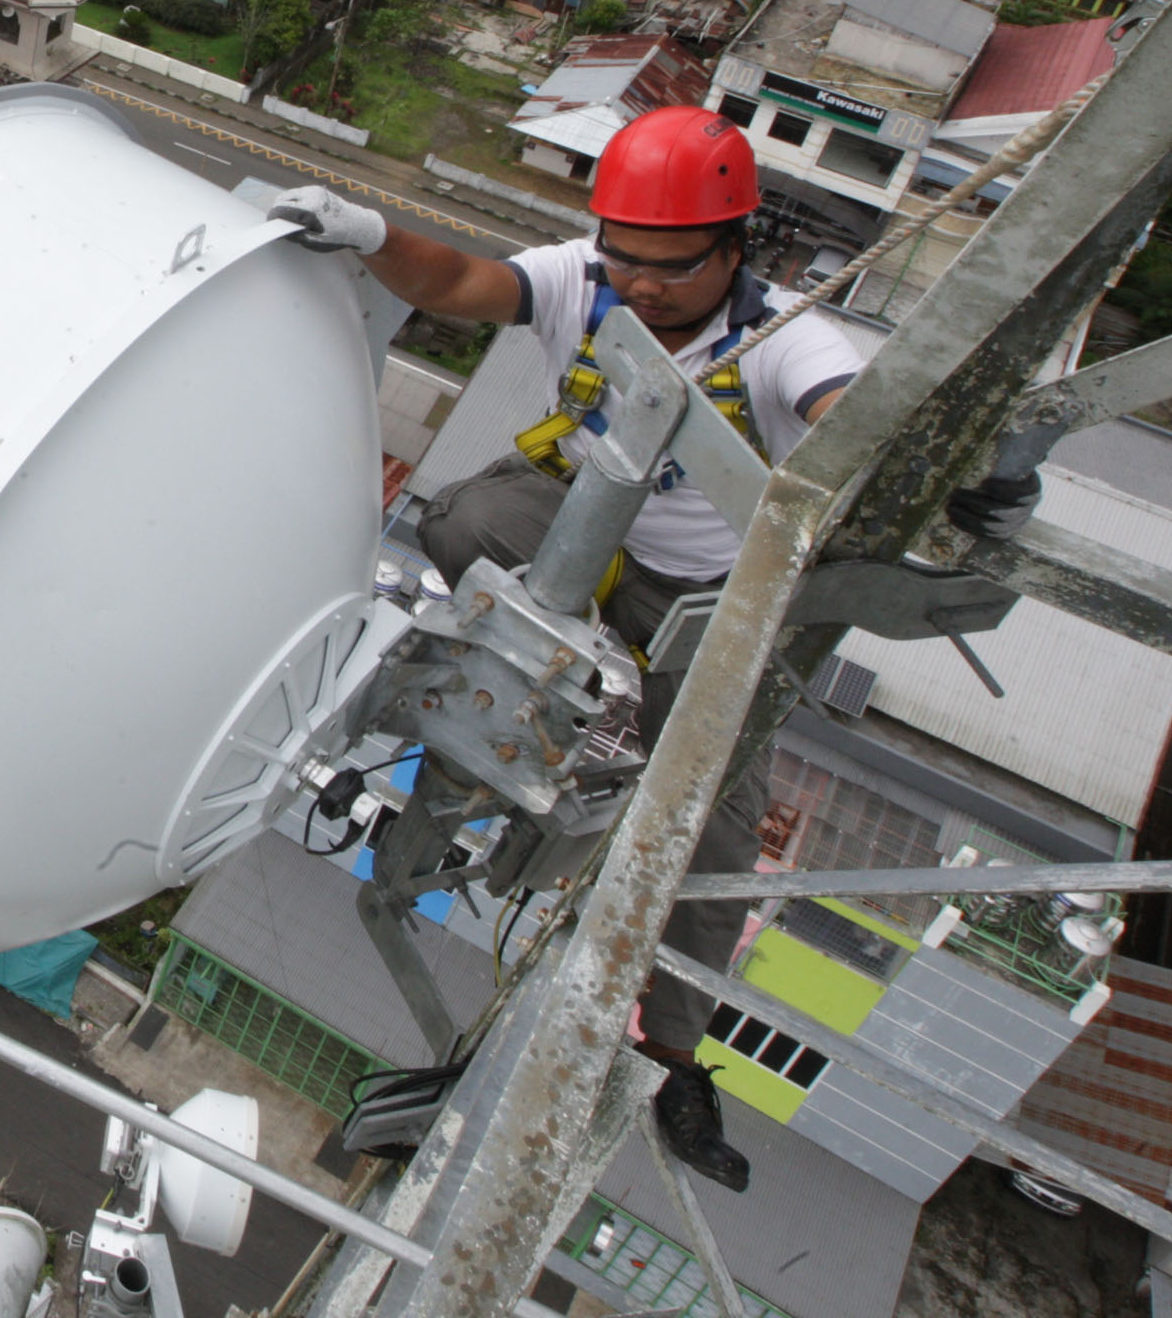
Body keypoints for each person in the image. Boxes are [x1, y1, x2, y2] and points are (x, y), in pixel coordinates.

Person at [269, 107, 864, 1195]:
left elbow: (845, 411)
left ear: (735, 249)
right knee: (461, 518)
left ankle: (680, 1055)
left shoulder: (785, 340)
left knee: (719, 825)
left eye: (672, 268)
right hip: (584, 543)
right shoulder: (586, 280)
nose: (640, 285)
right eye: (623, 257)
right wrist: (366, 232)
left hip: (707, 596)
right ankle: (570, 685)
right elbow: (456, 281)